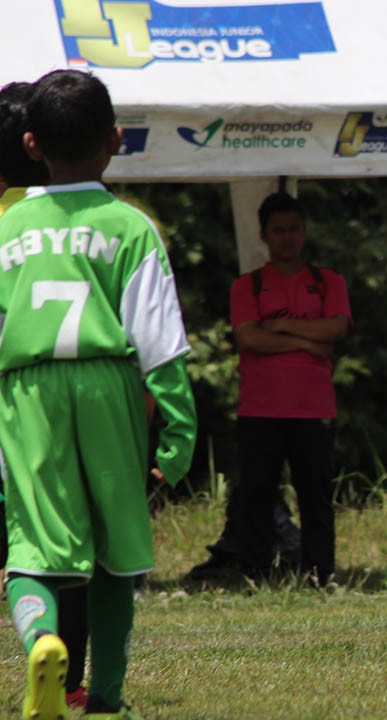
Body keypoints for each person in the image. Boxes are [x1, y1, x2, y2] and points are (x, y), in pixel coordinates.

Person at [0, 69, 197, 719]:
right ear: (117, 138)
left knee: (32, 546)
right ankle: (106, 697)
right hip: (108, 387)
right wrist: (178, 433)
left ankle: (42, 639)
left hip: (27, 391)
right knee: (115, 552)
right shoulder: (131, 229)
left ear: (31, 145)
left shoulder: (7, 230)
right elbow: (160, 344)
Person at [190, 192, 352, 587]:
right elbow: (249, 337)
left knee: (315, 495)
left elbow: (337, 327)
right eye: (278, 230)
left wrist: (278, 326)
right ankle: (256, 573)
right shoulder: (249, 285)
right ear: (263, 235)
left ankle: (318, 573)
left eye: (294, 229)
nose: (287, 237)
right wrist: (308, 342)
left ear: (304, 231)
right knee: (257, 494)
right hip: (260, 408)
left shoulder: (326, 280)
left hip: (313, 408)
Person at [0, 78, 95, 713]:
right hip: (52, 399)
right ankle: (75, 678)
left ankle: (39, 638)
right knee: (64, 543)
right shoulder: (58, 215)